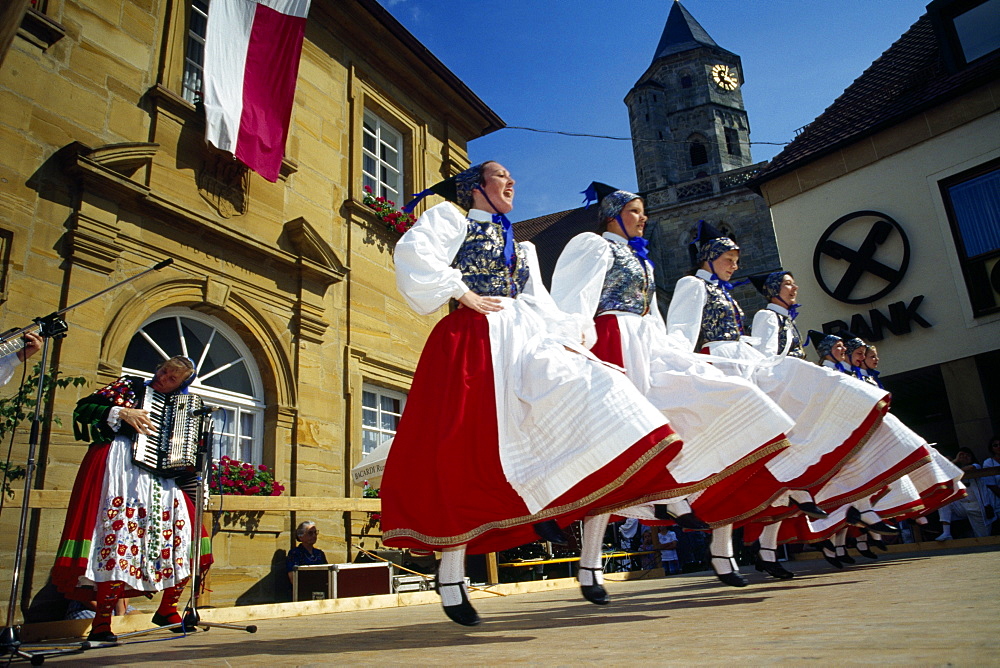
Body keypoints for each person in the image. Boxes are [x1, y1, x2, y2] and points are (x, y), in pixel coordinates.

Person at [381, 162, 687, 626]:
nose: (512, 182)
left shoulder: (521, 246)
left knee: (595, 386)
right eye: (501, 176)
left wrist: (572, 334)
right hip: (474, 338)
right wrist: (460, 292)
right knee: (464, 446)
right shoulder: (453, 221)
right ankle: (451, 573)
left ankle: (554, 499)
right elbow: (415, 254)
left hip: (524, 337)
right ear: (475, 188)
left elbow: (537, 300)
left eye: (512, 177)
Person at [550, 184, 797, 587]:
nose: (643, 218)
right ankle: (588, 549)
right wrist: (570, 344)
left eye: (643, 211)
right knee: (619, 444)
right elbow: (573, 299)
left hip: (645, 346)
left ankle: (671, 500)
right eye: (635, 211)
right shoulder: (597, 247)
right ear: (613, 215)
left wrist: (673, 355)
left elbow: (657, 322)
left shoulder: (641, 260)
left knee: (671, 423)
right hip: (612, 340)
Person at [669, 224, 912, 585]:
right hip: (722, 367)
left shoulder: (726, 293)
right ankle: (709, 518)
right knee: (739, 453)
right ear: (709, 258)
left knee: (765, 450)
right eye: (728, 259)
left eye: (736, 260)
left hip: (744, 366)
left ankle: (767, 523)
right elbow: (681, 330)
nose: (734, 266)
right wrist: (675, 369)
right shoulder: (693, 285)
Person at [51, 356, 212, 643]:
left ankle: (167, 609)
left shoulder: (187, 409)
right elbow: (84, 408)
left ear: (182, 384)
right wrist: (123, 413)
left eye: (172, 378)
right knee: (116, 540)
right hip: (121, 468)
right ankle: (102, 623)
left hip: (162, 478)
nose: (162, 378)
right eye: (162, 370)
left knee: (191, 538)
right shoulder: (130, 387)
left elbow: (192, 453)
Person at [937, 447, 992, 539]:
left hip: (977, 507)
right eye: (962, 455)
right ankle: (946, 532)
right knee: (943, 499)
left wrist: (954, 468)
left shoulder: (976, 466)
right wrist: (956, 460)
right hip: (962, 506)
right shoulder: (953, 469)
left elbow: (968, 469)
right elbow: (941, 473)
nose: (965, 457)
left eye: (967, 455)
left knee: (982, 536)